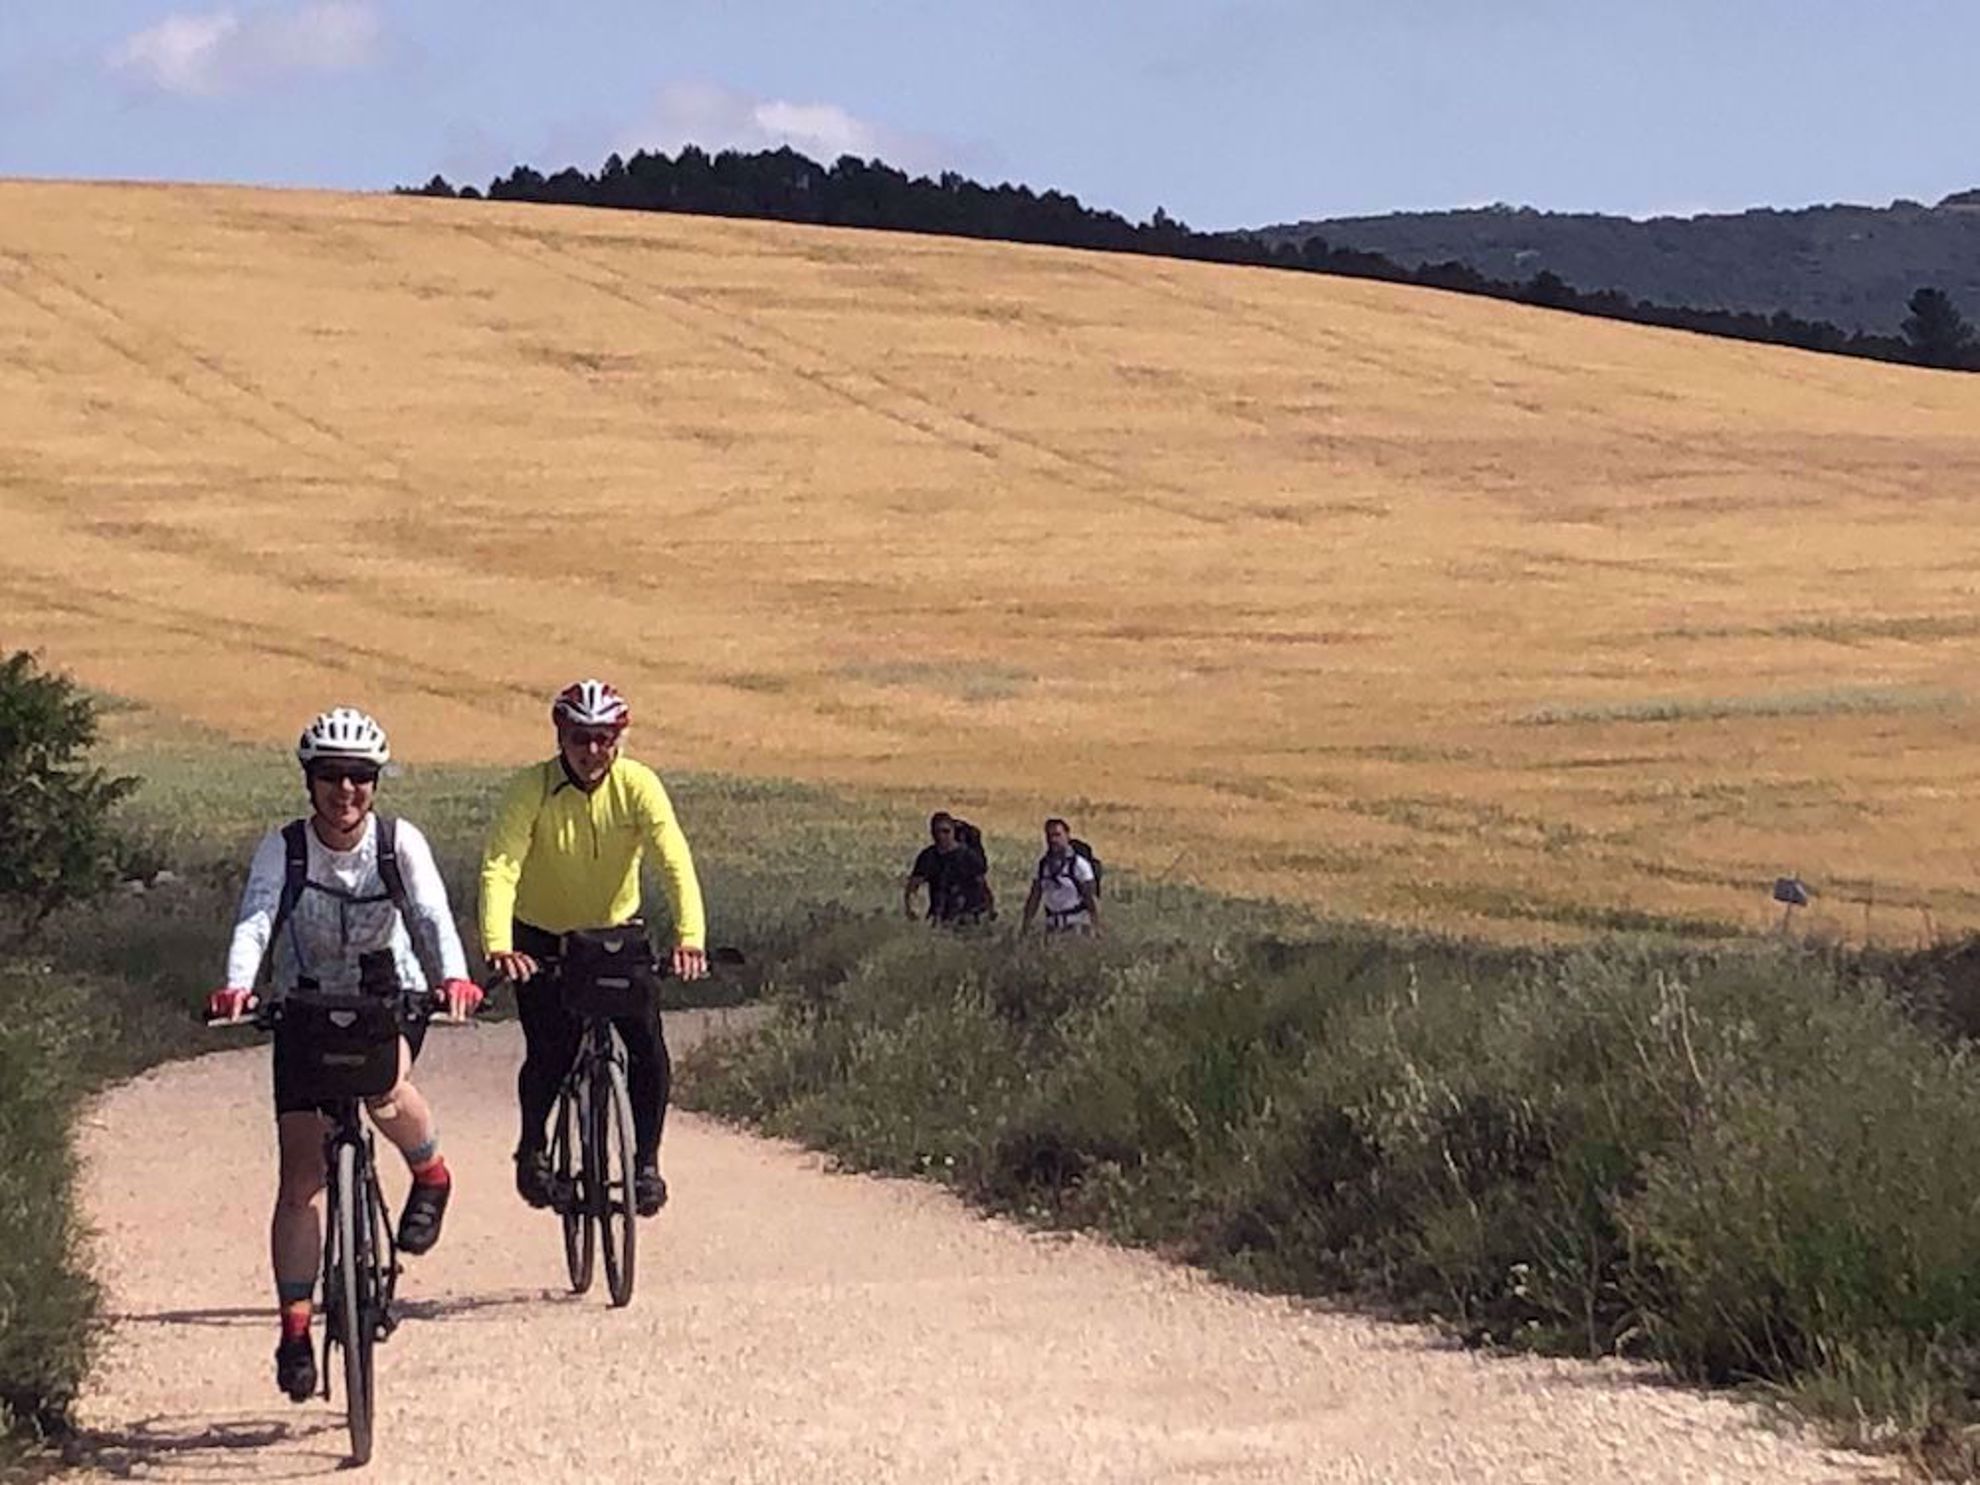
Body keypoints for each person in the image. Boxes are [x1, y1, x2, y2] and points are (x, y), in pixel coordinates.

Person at [207, 707, 482, 1404]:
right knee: (300, 1175)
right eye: (331, 775)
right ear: (310, 780)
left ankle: (433, 1174)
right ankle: (296, 1329)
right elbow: (258, 914)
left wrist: (452, 975)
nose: (346, 789)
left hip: (385, 1000)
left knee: (383, 1090)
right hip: (302, 1005)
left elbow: (429, 912)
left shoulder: (398, 842)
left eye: (360, 776)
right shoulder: (287, 847)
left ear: (376, 783)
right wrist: (239, 985)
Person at [480, 679, 707, 1220]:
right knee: (551, 1050)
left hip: (616, 935)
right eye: (581, 738)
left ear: (619, 739)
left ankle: (646, 1164)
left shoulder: (638, 785)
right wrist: (499, 945)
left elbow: (673, 860)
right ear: (561, 735)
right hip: (542, 938)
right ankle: (533, 1148)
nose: (592, 751)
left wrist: (690, 938)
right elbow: (501, 866)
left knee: (647, 1049)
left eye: (604, 738)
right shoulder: (530, 787)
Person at [904, 811, 991, 926]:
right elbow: (913, 886)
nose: (941, 836)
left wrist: (988, 911)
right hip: (941, 914)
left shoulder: (968, 856)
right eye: (937, 832)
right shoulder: (928, 857)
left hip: (968, 913)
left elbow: (982, 885)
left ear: (953, 831)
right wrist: (911, 909)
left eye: (946, 831)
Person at [1021, 817, 1101, 936]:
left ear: (1067, 836)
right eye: (1049, 836)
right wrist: (1025, 928)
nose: (1053, 840)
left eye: (1057, 835)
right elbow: (1034, 898)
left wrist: (1096, 928)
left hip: (1077, 928)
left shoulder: (1079, 865)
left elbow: (1091, 899)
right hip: (1052, 928)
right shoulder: (1043, 866)